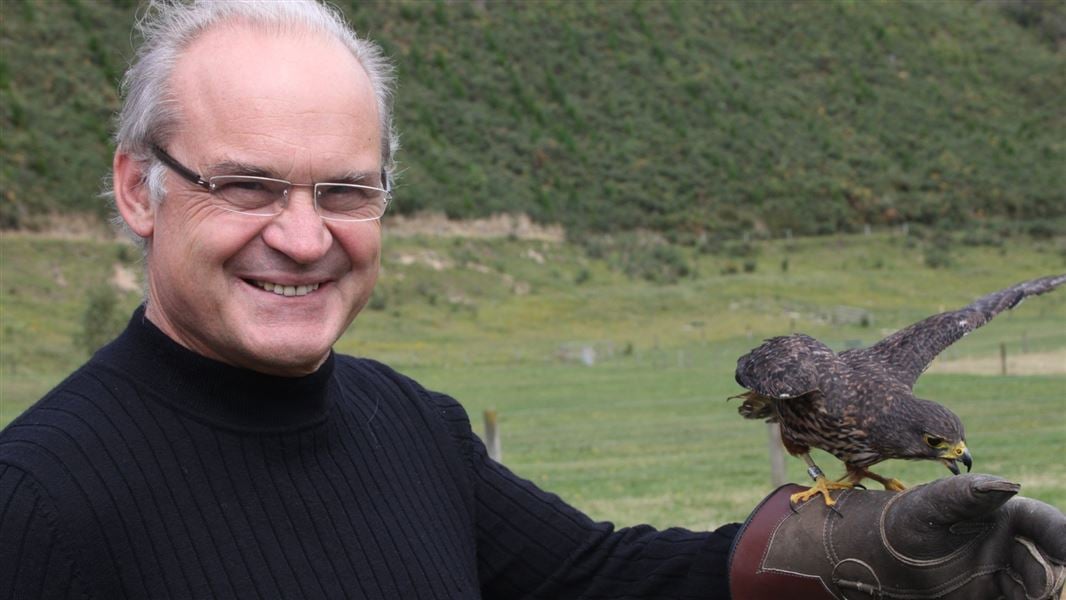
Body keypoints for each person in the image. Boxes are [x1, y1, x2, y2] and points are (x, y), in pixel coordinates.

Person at [0, 2, 1062, 598]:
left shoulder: (409, 427)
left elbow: (593, 583)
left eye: (346, 190)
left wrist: (827, 555)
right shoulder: (38, 504)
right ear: (140, 188)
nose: (302, 234)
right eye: (246, 185)